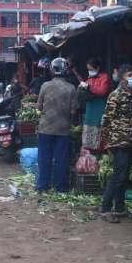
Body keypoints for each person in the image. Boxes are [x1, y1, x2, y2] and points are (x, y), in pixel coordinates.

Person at [99, 64, 132, 223]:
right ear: (122, 77)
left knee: (124, 176)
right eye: (130, 75)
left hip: (130, 141)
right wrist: (107, 142)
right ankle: (105, 208)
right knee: (118, 175)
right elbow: (106, 120)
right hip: (118, 141)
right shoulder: (116, 95)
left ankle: (120, 208)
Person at [36, 58, 79, 193]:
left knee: (44, 158)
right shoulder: (71, 88)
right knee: (61, 159)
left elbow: (39, 106)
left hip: (45, 128)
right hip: (63, 129)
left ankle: (42, 186)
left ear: (52, 70)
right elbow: (73, 110)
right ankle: (61, 187)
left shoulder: (45, 86)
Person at [79, 58, 112, 151]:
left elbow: (102, 91)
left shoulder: (104, 77)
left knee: (100, 130)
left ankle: (101, 152)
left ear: (97, 68)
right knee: (89, 133)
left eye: (91, 69)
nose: (90, 71)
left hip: (100, 108)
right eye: (88, 70)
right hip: (90, 109)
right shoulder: (89, 79)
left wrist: (89, 87)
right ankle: (90, 154)